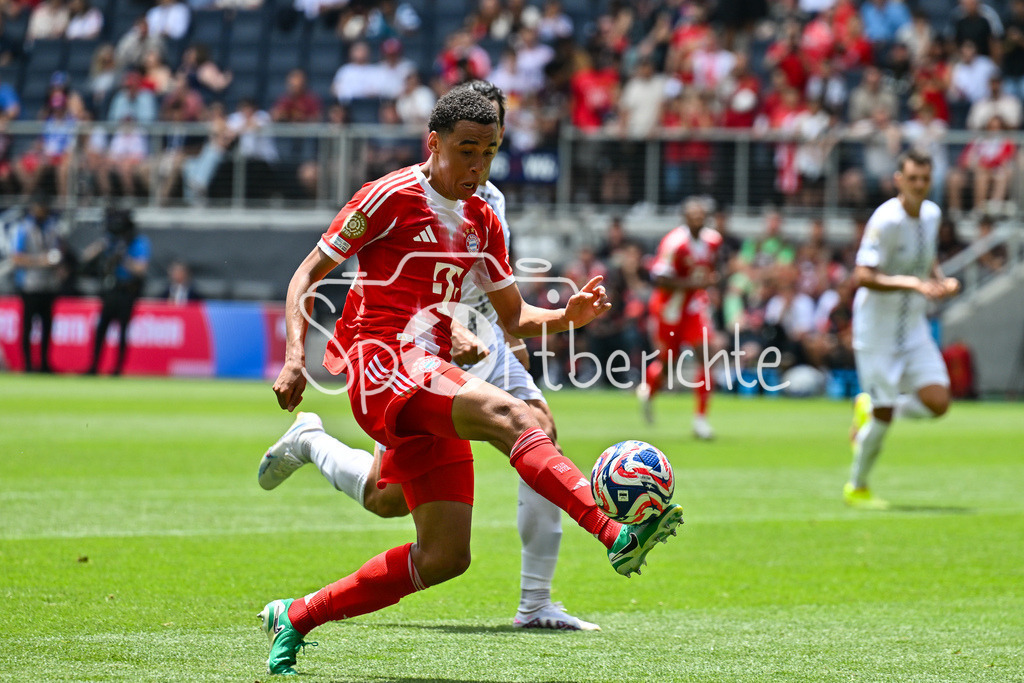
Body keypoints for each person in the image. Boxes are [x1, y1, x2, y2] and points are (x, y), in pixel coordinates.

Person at [258, 86, 683, 675]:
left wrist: (567, 316)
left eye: (488, 152)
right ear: (433, 143)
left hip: (432, 367)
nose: (477, 166)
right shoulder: (387, 197)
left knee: (442, 556)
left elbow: (513, 318)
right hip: (383, 365)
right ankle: (614, 533)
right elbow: (307, 273)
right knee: (519, 418)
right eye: (466, 151)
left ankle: (298, 614)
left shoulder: (483, 217)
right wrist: (294, 357)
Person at [846, 150, 960, 509]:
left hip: (912, 328)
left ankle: (874, 405)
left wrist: (940, 281)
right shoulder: (886, 220)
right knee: (882, 420)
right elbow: (862, 275)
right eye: (912, 179)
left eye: (925, 179)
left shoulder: (932, 214)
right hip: (876, 331)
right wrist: (913, 284)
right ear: (898, 180)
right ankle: (857, 486)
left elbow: (927, 261)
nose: (919, 186)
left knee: (938, 403)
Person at [637, 198, 722, 439]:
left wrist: (708, 284)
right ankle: (650, 389)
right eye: (693, 215)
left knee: (705, 355)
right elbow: (660, 279)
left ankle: (700, 420)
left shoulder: (713, 241)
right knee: (667, 365)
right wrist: (694, 284)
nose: (697, 219)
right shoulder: (674, 243)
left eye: (701, 215)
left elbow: (711, 269)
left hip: (694, 307)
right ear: (684, 217)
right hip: (669, 309)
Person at [83, 208, 150, 375]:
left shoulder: (138, 241)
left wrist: (124, 259)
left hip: (127, 291)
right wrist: (103, 247)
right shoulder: (109, 240)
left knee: (123, 330)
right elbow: (86, 256)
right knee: (101, 329)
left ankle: (118, 368)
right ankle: (94, 366)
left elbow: (141, 269)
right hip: (110, 290)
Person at [10, 199, 64, 373]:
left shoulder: (52, 228)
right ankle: (27, 364)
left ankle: (44, 364)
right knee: (28, 325)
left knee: (47, 326)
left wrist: (57, 263)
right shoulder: (24, 229)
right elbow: (17, 258)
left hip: (48, 285)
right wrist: (41, 261)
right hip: (30, 285)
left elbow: (58, 253)